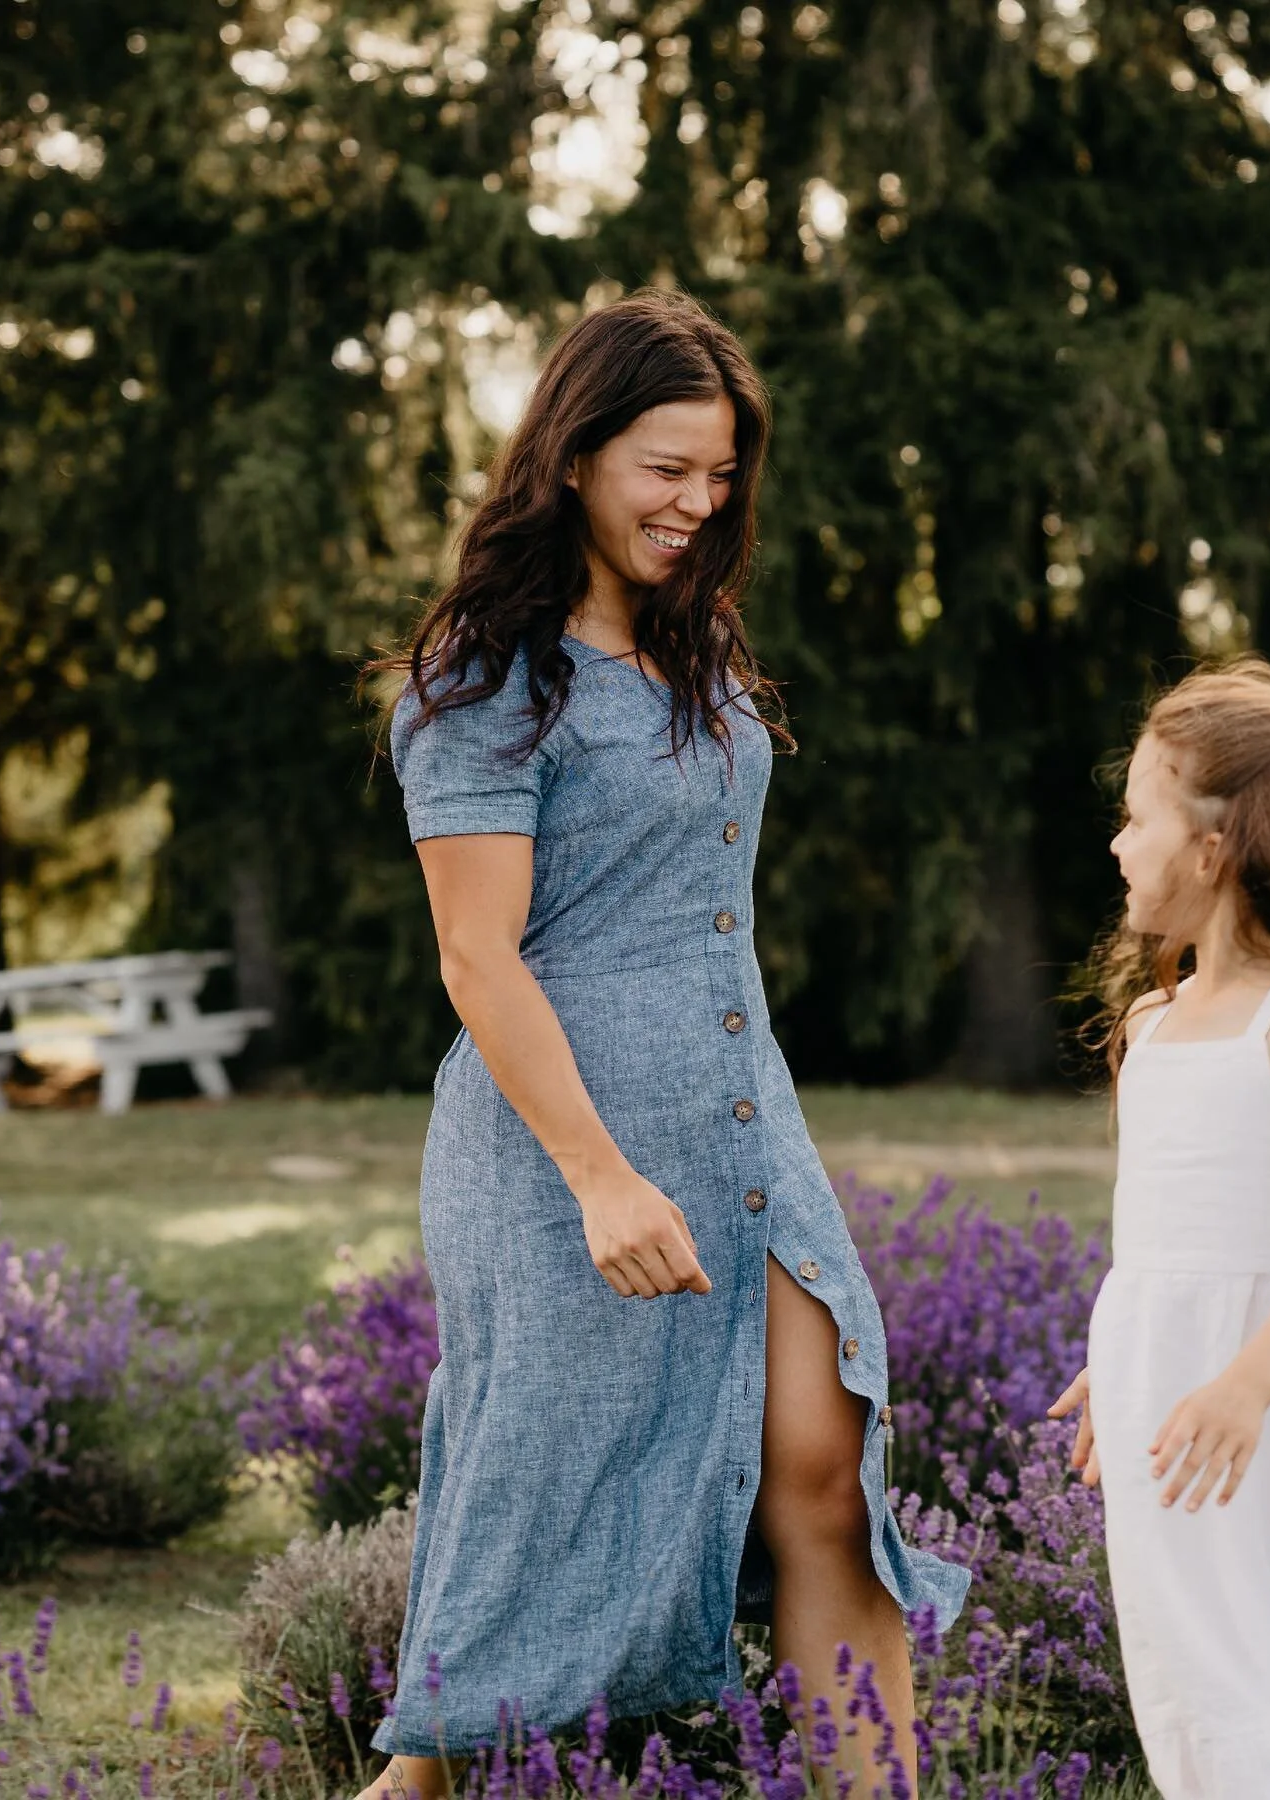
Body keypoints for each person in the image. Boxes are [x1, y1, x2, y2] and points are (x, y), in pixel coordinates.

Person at [357, 290, 969, 1800]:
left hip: (742, 1122)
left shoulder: (689, 651)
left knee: (826, 1477)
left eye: (720, 475)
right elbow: (475, 955)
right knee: (538, 1513)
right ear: (573, 454)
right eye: (665, 469)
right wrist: (601, 1178)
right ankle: (410, 1783)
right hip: (569, 1144)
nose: (700, 504)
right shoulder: (483, 680)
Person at [1049, 658, 1270, 1798]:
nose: (1117, 846)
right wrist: (1118, 1364)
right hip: (1168, 1398)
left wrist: (1245, 1384)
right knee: (1197, 1681)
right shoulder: (1152, 1023)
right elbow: (1155, 1245)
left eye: (1135, 820)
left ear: (1212, 849)